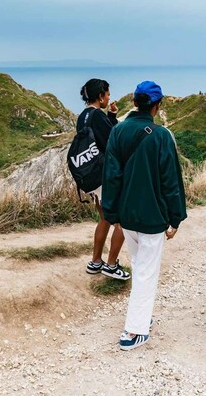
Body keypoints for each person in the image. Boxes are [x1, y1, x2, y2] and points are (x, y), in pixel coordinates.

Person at [102, 81, 186, 351]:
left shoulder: (118, 131)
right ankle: (134, 330)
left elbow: (111, 175)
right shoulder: (161, 136)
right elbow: (171, 181)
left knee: (140, 266)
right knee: (146, 272)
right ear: (157, 106)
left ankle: (142, 317)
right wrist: (176, 218)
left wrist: (112, 212)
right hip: (152, 216)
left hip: (126, 215)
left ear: (136, 102)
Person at [77, 79, 131, 281]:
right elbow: (112, 141)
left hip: (91, 177)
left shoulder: (83, 116)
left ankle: (96, 262)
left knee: (105, 219)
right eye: (107, 94)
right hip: (104, 176)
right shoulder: (98, 116)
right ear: (100, 95)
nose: (109, 97)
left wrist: (111, 115)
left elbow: (100, 137)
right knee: (122, 219)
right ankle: (111, 265)